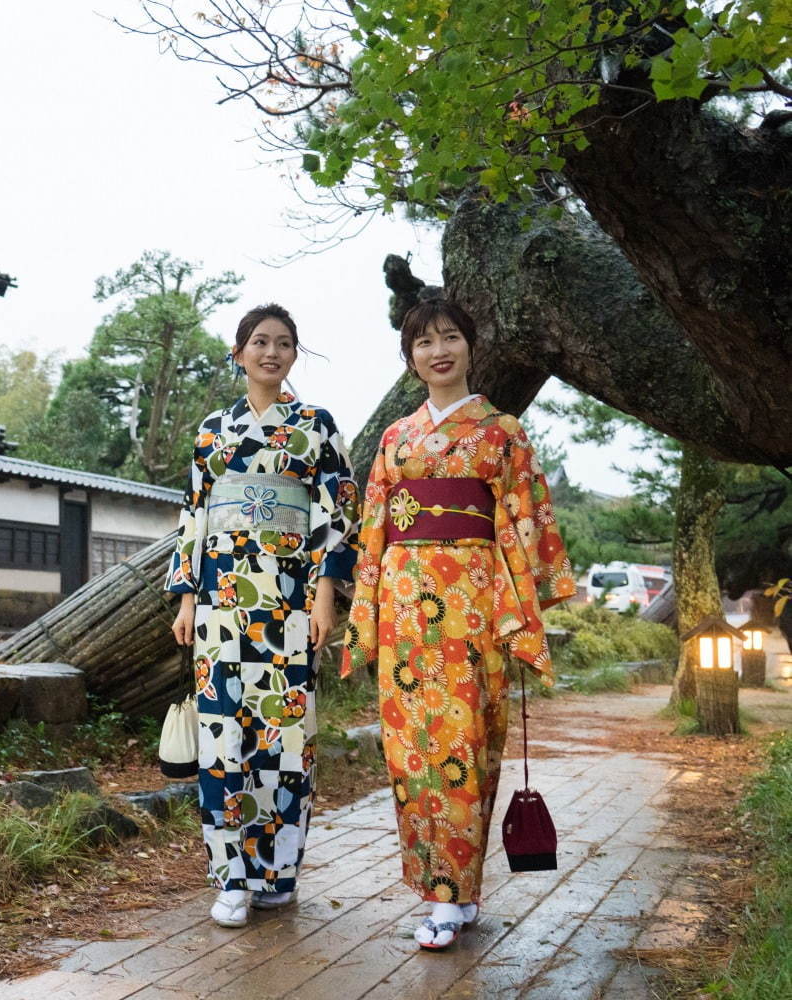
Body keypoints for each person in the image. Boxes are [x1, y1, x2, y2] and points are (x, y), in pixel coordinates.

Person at [341, 300, 575, 950]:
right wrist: (370, 601)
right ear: (409, 357)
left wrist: (516, 605)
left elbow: (526, 519)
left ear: (471, 346)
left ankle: (455, 890)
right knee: (409, 748)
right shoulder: (395, 438)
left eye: (450, 337)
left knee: (468, 743)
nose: (437, 350)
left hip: (474, 596)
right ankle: (443, 891)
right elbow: (374, 529)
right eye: (423, 342)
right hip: (403, 605)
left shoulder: (502, 432)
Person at [166, 303, 361, 928]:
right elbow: (192, 516)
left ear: (294, 355)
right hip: (222, 603)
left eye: (282, 343)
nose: (270, 352)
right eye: (259, 342)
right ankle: (230, 877)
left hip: (288, 601)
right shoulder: (211, 431)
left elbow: (340, 515)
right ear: (238, 352)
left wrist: (327, 595)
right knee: (222, 739)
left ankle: (278, 871)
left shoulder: (314, 427)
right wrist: (187, 595)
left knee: (285, 740)